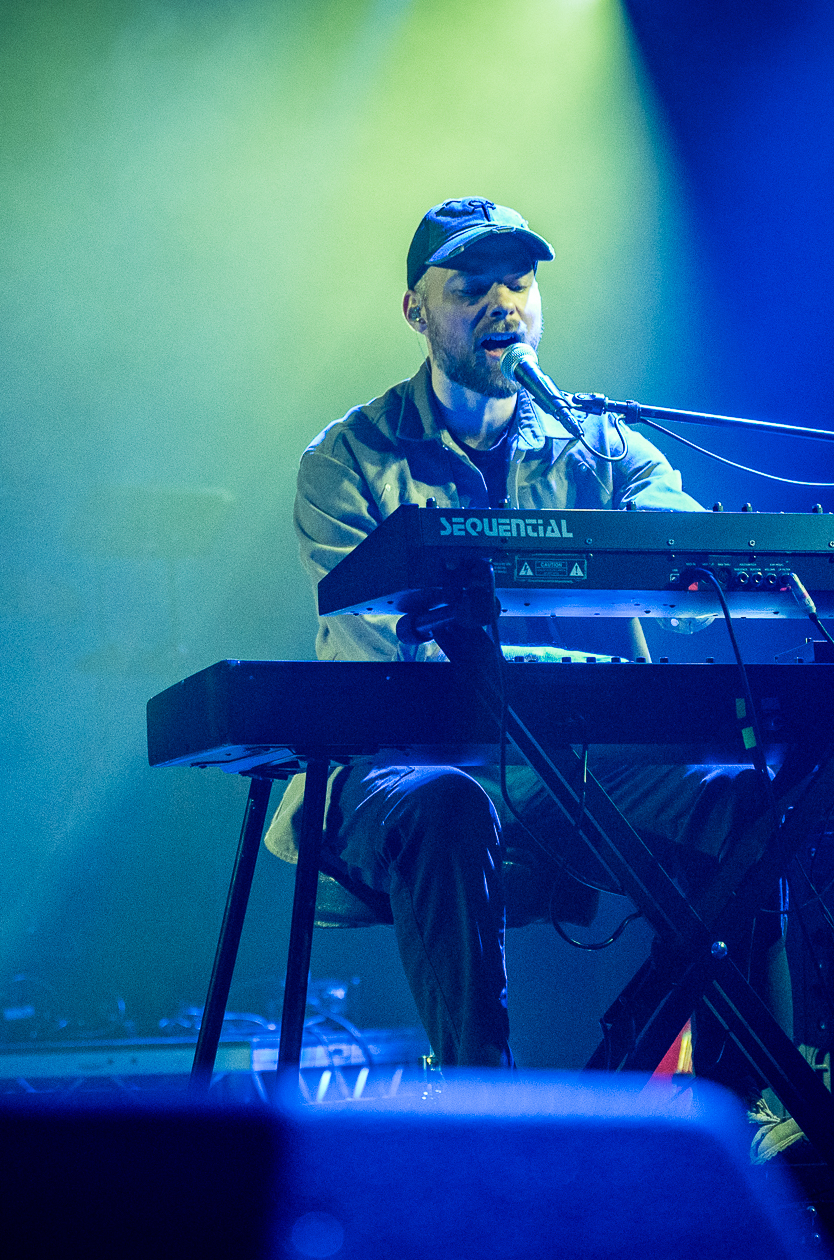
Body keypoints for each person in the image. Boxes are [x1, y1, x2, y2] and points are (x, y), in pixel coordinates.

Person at [265, 198, 761, 1068]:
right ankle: (484, 1110)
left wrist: (716, 557)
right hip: (402, 764)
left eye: (520, 284)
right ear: (416, 309)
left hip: (573, 760)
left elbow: (689, 560)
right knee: (450, 803)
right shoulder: (347, 460)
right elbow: (392, 665)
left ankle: (736, 1091)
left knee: (752, 803)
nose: (503, 304)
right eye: (472, 288)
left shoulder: (603, 447)